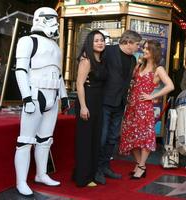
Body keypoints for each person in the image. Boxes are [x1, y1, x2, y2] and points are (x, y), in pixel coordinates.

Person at [14, 7, 69, 196]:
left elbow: (59, 74)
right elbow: (20, 70)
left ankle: (41, 174)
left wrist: (63, 96)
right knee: (26, 140)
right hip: (36, 93)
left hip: (52, 95)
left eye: (55, 18)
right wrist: (26, 97)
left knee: (45, 140)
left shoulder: (55, 46)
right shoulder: (27, 41)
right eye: (49, 18)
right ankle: (21, 181)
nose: (53, 21)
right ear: (39, 19)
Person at [119, 39, 174, 179]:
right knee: (131, 137)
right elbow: (129, 80)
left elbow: (170, 86)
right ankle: (139, 164)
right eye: (144, 48)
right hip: (131, 106)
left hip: (144, 108)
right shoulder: (139, 66)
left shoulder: (158, 69)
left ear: (153, 52)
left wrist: (152, 96)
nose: (144, 51)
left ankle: (142, 166)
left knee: (143, 138)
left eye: (147, 49)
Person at [95, 30, 142, 184]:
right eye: (137, 45)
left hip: (120, 103)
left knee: (112, 137)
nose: (138, 48)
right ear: (128, 42)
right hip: (105, 101)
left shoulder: (133, 60)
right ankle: (96, 170)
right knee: (101, 137)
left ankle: (105, 166)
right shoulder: (108, 51)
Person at [73, 30, 107, 187]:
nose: (100, 43)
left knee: (95, 139)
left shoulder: (101, 60)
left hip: (98, 102)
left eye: (102, 40)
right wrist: (83, 107)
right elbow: (79, 84)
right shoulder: (86, 60)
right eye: (96, 41)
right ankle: (82, 177)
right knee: (86, 140)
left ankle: (90, 174)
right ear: (90, 43)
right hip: (87, 102)